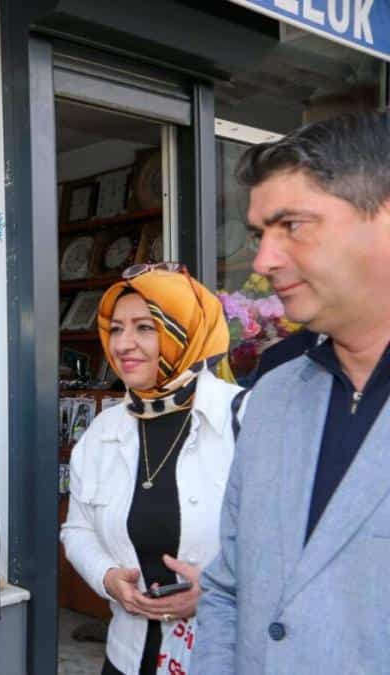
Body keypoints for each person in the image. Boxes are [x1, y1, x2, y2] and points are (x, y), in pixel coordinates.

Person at [197, 111, 390, 672]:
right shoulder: (274, 395)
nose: (262, 261)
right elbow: (228, 588)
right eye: (260, 234)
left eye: (293, 226)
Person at [61, 264, 241, 675]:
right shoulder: (102, 432)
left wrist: (216, 591)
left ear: (187, 330)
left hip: (220, 658)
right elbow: (77, 529)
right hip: (126, 658)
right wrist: (107, 578)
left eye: (145, 327)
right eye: (117, 328)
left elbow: (287, 546)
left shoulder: (246, 420)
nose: (124, 343)